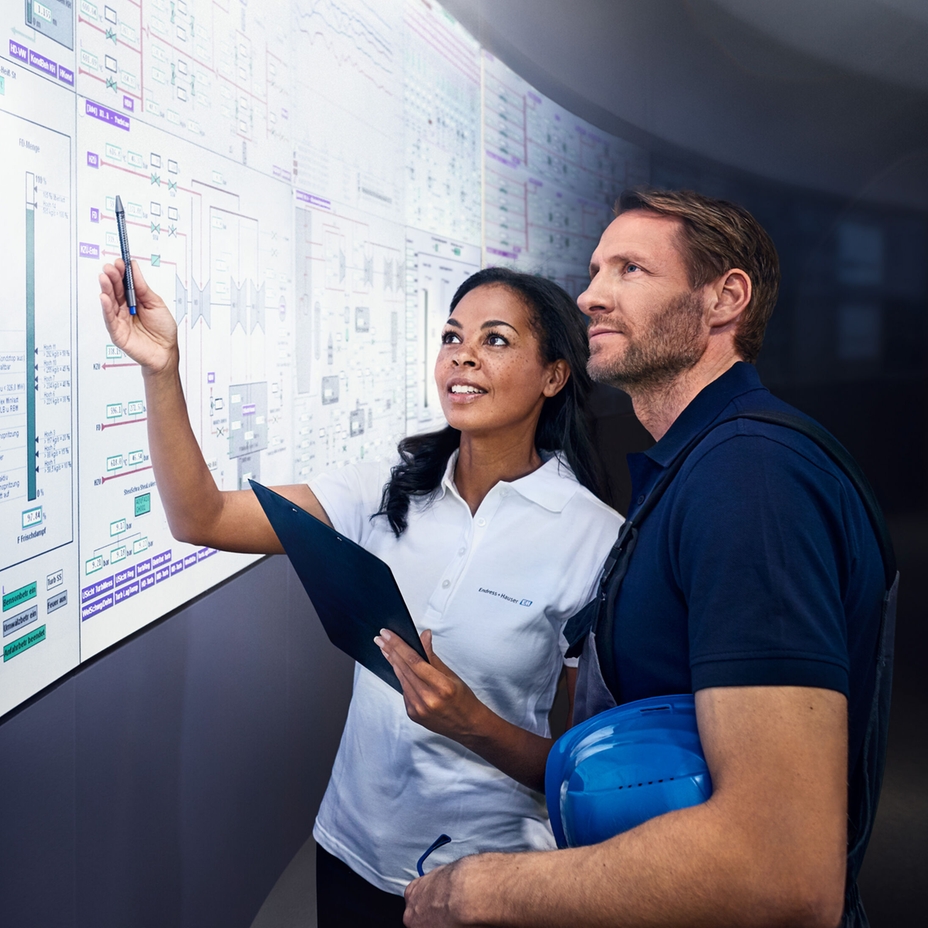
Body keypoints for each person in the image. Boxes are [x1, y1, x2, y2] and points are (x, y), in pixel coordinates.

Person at [403, 189, 889, 928]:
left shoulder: (749, 480)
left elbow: (782, 865)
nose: (592, 295)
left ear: (725, 299)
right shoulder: (706, 465)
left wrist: (485, 892)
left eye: (630, 270)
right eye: (596, 270)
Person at [98, 262, 622, 925]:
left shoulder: (596, 539)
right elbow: (200, 518)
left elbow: (582, 771)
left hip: (485, 878)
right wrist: (160, 370)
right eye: (451, 336)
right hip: (350, 847)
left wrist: (472, 724)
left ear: (554, 375)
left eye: (495, 339)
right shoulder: (382, 490)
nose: (461, 354)